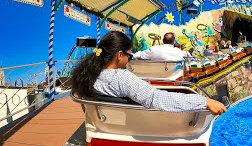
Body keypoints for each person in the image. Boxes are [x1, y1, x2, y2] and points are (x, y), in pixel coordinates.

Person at [71, 31, 226, 115]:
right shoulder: (121, 78)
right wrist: (205, 102)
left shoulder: (87, 76)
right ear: (119, 55)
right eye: (129, 56)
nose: (130, 59)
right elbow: (158, 99)